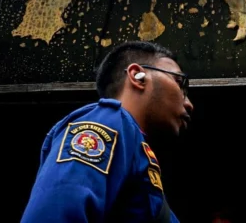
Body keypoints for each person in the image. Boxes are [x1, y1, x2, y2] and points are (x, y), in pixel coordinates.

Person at [21, 41, 194, 222]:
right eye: (180, 83)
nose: (189, 104)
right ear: (138, 76)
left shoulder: (134, 148)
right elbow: (54, 212)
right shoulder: (107, 121)